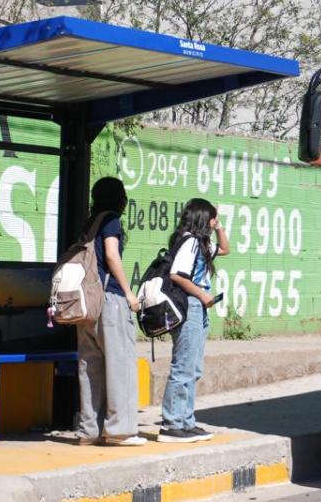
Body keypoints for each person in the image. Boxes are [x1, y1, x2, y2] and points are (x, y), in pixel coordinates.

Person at [76, 177, 146, 447]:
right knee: (120, 365)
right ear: (119, 198)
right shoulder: (111, 221)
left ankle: (88, 431)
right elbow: (112, 255)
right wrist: (129, 293)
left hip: (86, 305)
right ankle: (120, 431)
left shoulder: (88, 224)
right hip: (110, 300)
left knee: (89, 367)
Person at [158, 198, 230, 443]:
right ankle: (171, 424)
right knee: (183, 367)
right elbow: (177, 274)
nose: (213, 222)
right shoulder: (189, 242)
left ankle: (186, 421)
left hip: (199, 306)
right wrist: (203, 295)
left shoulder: (200, 243)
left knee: (194, 367)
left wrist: (219, 226)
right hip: (190, 304)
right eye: (211, 218)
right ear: (202, 218)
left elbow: (226, 249)